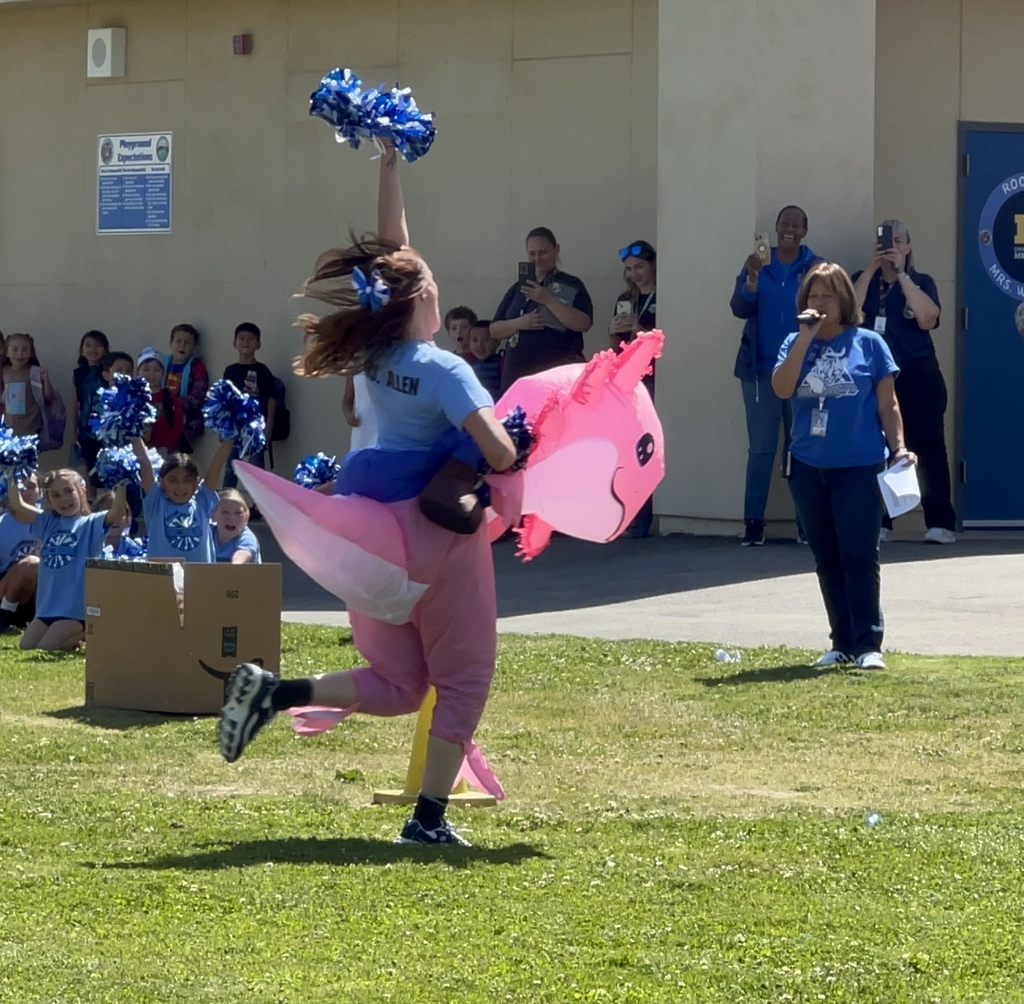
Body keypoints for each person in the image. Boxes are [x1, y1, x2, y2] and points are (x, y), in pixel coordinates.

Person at [217, 140, 517, 847]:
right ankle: (428, 822)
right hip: (433, 541)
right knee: (465, 678)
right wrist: (512, 441)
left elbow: (396, 252)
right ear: (425, 300)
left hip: (371, 538)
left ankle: (276, 693)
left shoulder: (379, 352)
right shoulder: (446, 369)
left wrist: (389, 165)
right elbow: (500, 450)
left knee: (402, 681)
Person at [772, 262, 915, 670]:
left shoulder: (869, 344)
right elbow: (782, 388)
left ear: (844, 301)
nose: (820, 303)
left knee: (859, 555)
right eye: (814, 296)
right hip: (807, 466)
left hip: (859, 465)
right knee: (827, 557)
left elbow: (888, 404)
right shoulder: (793, 342)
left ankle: (868, 644)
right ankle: (841, 642)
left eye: (828, 296)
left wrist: (899, 447)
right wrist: (805, 338)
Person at [851, 219, 955, 544]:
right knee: (877, 449)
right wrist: (871, 270)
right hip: (876, 379)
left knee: (928, 448)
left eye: (898, 240)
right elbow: (847, 312)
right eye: (885, 240)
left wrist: (902, 275)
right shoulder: (861, 281)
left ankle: (939, 522)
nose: (891, 245)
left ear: (908, 247)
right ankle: (881, 521)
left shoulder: (921, 281)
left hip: (919, 375)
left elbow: (928, 318)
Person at [730, 205, 821, 546]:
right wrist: (752, 280)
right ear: (776, 227)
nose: (790, 229)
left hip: (802, 371)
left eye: (797, 224)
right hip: (759, 371)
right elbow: (739, 308)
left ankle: (806, 525)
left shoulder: (814, 267)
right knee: (762, 450)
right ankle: (754, 524)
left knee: (801, 448)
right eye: (785, 223)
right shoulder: (757, 264)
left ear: (804, 231)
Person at [6, 469, 127, 650]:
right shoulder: (47, 523)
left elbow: (116, 511)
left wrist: (122, 483)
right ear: (50, 502)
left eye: (68, 491)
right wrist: (11, 473)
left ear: (81, 491)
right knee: (27, 646)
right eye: (56, 495)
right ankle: (73, 636)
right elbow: (18, 505)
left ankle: (85, 629)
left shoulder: (92, 523)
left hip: (74, 610)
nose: (64, 499)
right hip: (47, 606)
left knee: (45, 647)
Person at [490, 227, 593, 391]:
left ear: (556, 249)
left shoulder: (571, 284)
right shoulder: (519, 288)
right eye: (532, 253)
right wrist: (520, 323)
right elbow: (494, 330)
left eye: (542, 252)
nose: (537, 259)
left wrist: (547, 299)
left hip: (555, 375)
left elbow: (584, 323)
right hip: (517, 376)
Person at [610, 240, 658, 538]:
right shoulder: (624, 298)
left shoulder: (663, 296)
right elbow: (614, 346)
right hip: (626, 381)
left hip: (653, 380)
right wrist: (614, 330)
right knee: (627, 451)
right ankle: (627, 516)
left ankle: (643, 519)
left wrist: (640, 329)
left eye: (639, 267)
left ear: (653, 265)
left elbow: (664, 338)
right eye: (629, 269)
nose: (634, 274)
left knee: (647, 450)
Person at [131, 436, 235, 563]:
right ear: (161, 482)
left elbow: (216, 465)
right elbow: (145, 465)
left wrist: (230, 437)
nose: (180, 487)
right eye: (173, 480)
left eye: (187, 480)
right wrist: (134, 433)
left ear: (197, 482)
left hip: (200, 578)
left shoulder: (202, 501)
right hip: (164, 577)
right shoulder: (156, 502)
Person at [222, 322, 277, 489]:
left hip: (255, 428)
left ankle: (259, 506)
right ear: (234, 343)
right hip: (234, 427)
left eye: (251, 339)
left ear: (258, 344)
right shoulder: (230, 370)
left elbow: (271, 399)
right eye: (242, 339)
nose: (246, 342)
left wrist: (268, 427)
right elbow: (224, 399)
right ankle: (226, 499)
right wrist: (223, 427)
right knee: (231, 467)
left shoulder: (263, 370)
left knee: (256, 468)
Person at [0, 473, 42, 631]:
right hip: (3, 589)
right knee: (30, 564)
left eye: (31, 487)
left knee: (34, 565)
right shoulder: (2, 525)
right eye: (21, 487)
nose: (27, 492)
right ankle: (5, 614)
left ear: (40, 491)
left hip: (35, 592)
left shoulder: (49, 522)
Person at [71, 330, 110, 489]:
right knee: (89, 462)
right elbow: (75, 403)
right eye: (88, 345)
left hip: (106, 425)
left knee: (106, 461)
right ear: (81, 350)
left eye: (98, 346)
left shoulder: (108, 372)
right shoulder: (78, 373)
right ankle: (92, 496)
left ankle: (108, 496)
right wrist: (74, 430)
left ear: (106, 350)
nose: (93, 349)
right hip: (85, 425)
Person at [0, 333, 56, 440]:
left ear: (31, 353)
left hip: (31, 427)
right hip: (9, 428)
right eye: (15, 349)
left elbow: (48, 397)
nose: (20, 354)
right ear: (7, 352)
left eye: (25, 349)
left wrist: (46, 379)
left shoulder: (34, 372)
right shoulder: (4, 371)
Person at [163, 323, 209, 445]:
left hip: (186, 421)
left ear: (194, 347)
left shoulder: (197, 368)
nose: (182, 345)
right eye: (178, 341)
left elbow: (198, 396)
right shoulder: (161, 365)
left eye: (187, 343)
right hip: (161, 417)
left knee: (177, 456)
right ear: (170, 343)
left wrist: (174, 405)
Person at [136, 347, 186, 455]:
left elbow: (178, 427)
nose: (151, 374)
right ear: (138, 372)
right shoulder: (132, 399)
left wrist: (166, 447)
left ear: (163, 373)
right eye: (146, 369)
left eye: (157, 370)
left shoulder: (171, 400)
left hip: (165, 454)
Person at [213, 489, 261, 563]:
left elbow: (241, 557)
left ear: (246, 517)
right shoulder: (209, 533)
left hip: (239, 573)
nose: (232, 518)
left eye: (238, 513)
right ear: (213, 515)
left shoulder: (246, 537)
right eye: (225, 512)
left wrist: (236, 564)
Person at [342, 373, 379, 451]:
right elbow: (347, 400)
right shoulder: (354, 368)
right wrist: (348, 415)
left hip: (382, 428)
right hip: (361, 428)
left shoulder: (388, 366)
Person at [468, 319, 502, 399]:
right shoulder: (468, 364)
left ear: (497, 342)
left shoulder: (502, 363)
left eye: (486, 340)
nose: (480, 345)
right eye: (475, 340)